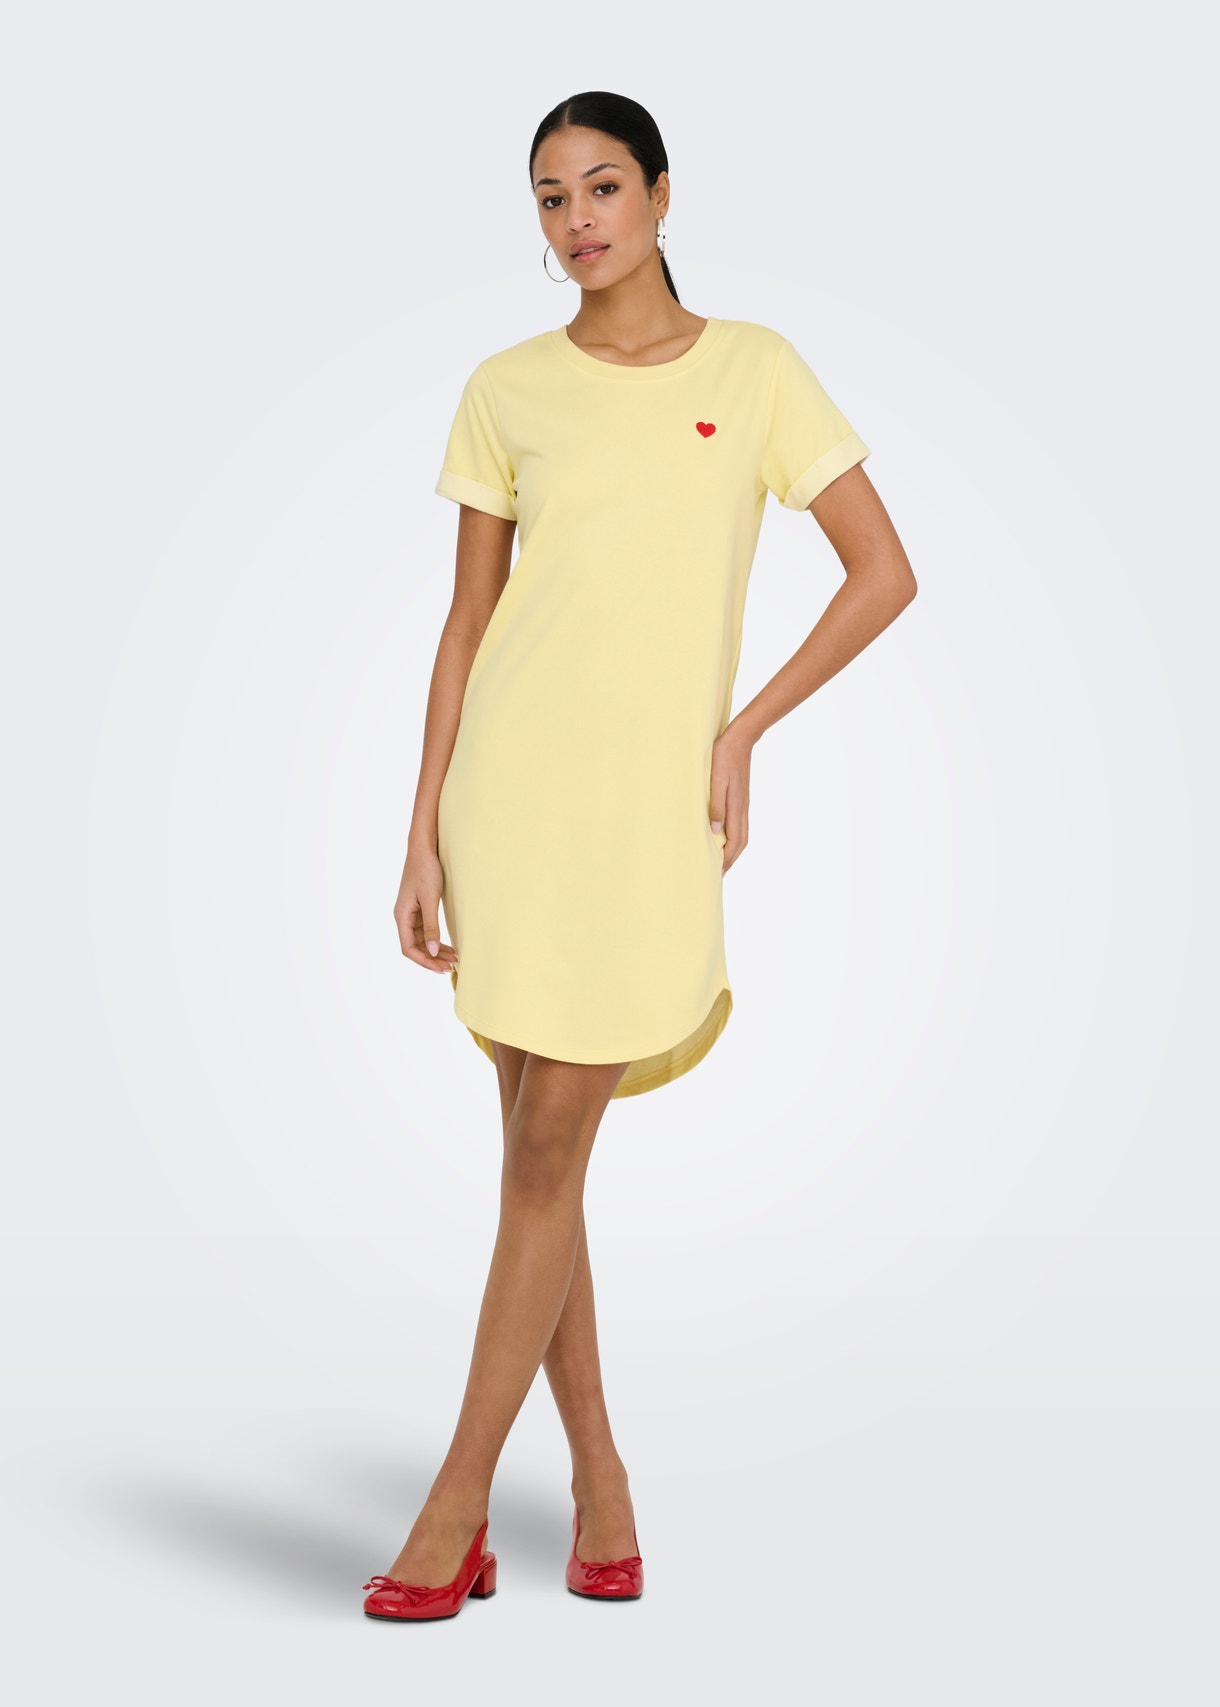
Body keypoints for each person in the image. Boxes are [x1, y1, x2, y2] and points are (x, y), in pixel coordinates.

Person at [367, 89, 917, 1621]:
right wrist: (421, 827)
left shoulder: (756, 371)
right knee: (539, 1163)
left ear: (664, 196)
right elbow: (468, 625)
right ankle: (599, 1481)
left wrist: (746, 730)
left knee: (549, 1150)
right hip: (510, 808)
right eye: (551, 198)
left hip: (650, 818)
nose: (578, 220)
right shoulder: (505, 389)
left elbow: (884, 573)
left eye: (602, 187)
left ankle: (458, 1505)